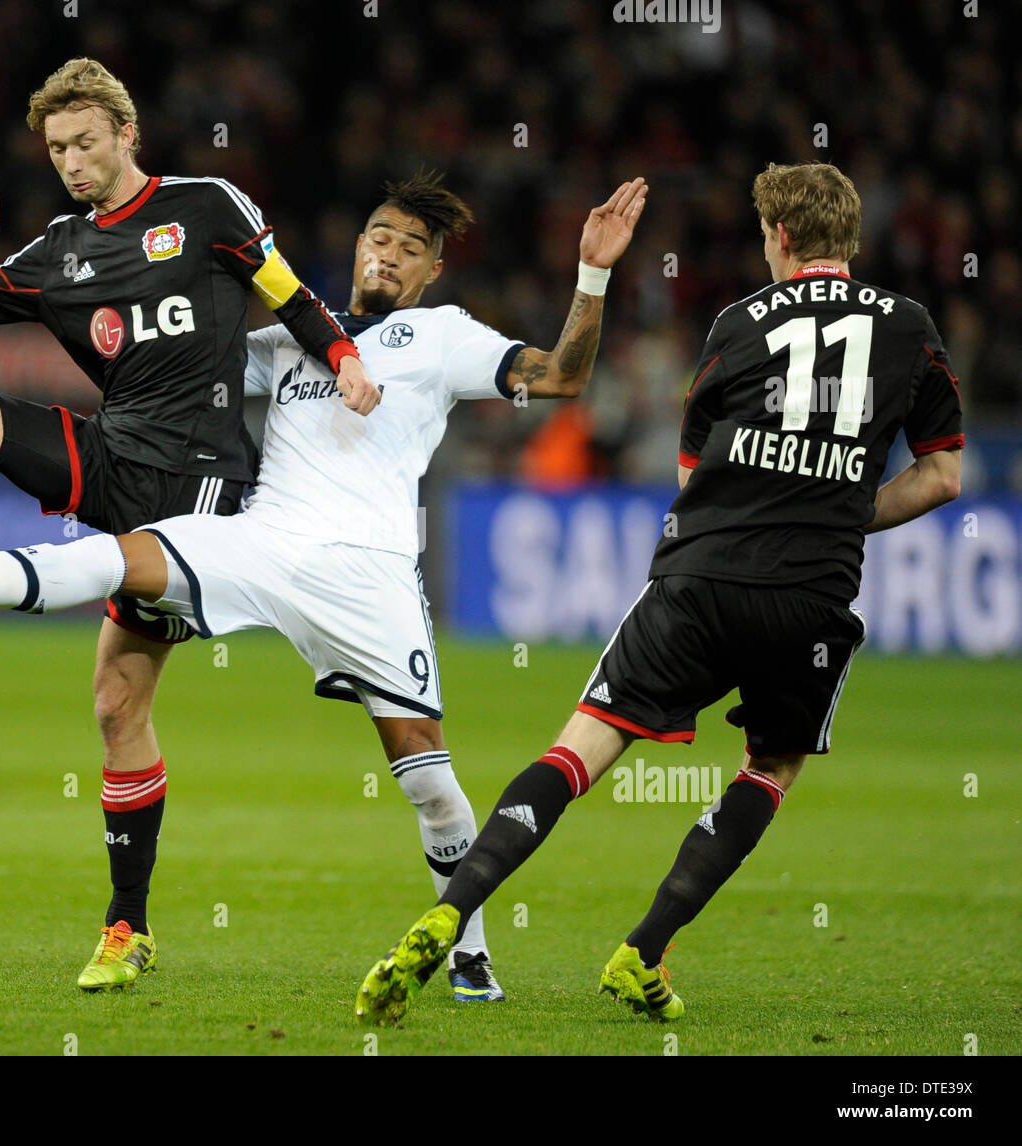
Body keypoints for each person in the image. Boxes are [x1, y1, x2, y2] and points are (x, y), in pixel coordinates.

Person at [0, 170, 648, 999]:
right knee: (124, 558)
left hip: (369, 575)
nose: (391, 255)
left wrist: (592, 275)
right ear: (357, 245)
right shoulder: (291, 338)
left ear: (431, 272)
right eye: (380, 237)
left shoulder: (444, 337)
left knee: (429, 781)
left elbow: (559, 377)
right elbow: (178, 371)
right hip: (260, 538)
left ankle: (471, 950)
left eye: (413, 249)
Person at [351, 160, 963, 1026]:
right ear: (850, 239)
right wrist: (833, 516)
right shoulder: (910, 326)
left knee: (579, 751)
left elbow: (690, 467)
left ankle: (450, 913)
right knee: (770, 766)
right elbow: (941, 476)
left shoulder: (738, 321)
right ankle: (644, 949)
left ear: (780, 237)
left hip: (699, 579)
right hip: (812, 598)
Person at [0, 56, 374, 989]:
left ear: (127, 135)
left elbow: (288, 293)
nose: (70, 160)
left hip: (198, 488)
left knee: (115, 705)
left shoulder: (208, 206)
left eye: (86, 142)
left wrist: (340, 355)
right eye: (56, 147)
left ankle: (126, 924)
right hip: (109, 455)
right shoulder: (58, 251)